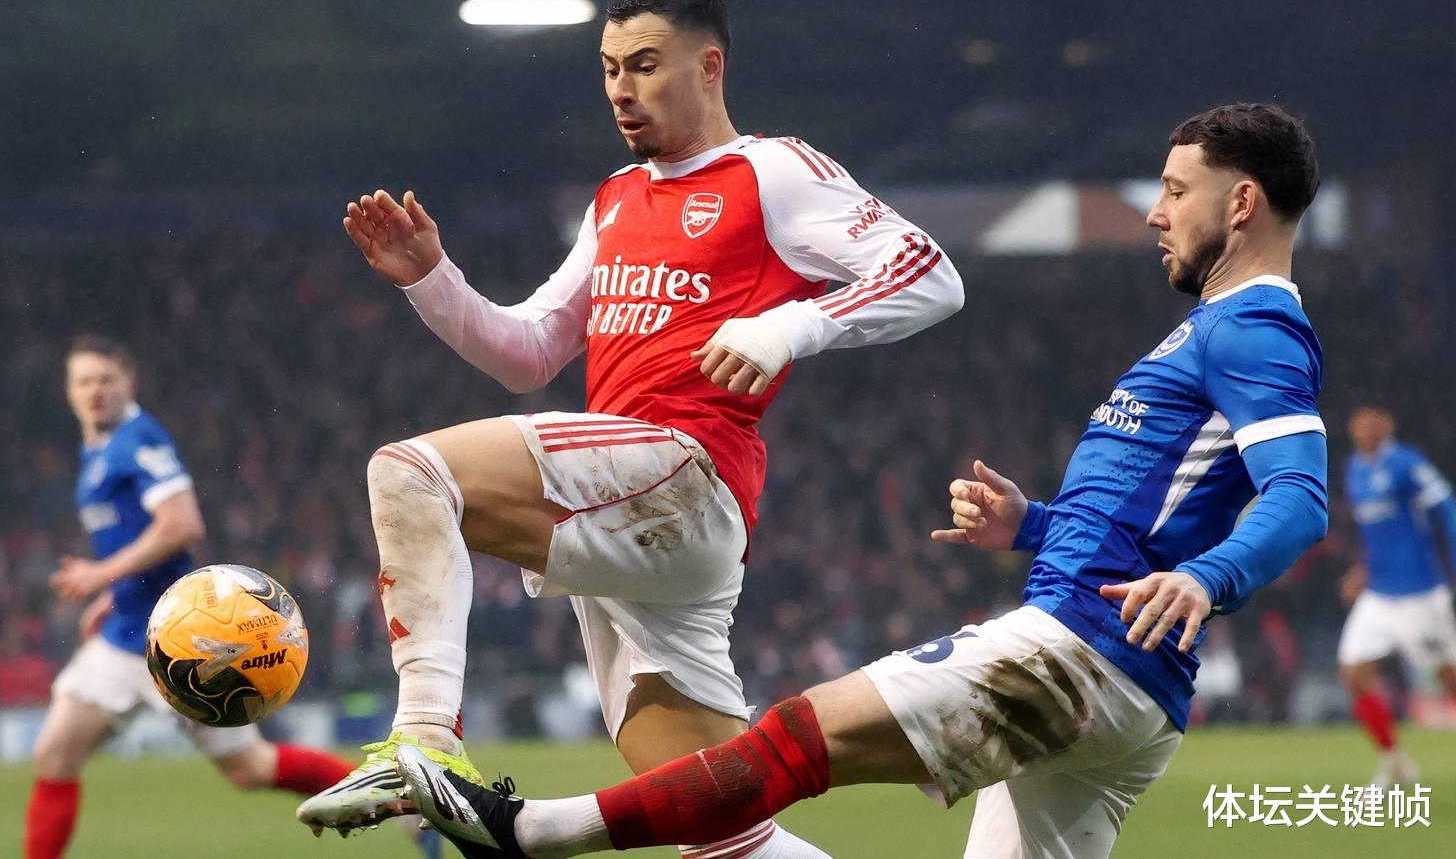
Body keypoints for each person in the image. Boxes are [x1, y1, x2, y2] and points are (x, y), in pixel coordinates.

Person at [396, 102, 1330, 859]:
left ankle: (524, 833)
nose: (1157, 213)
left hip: (1081, 651)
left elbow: (1300, 496)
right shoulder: (1219, 331)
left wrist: (1207, 578)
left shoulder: (1254, 328)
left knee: (797, 738)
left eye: (1176, 191)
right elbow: (1164, 508)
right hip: (1132, 689)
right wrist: (1034, 525)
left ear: (1242, 203)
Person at [294, 0, 965, 857]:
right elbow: (530, 353)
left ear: (709, 66)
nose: (621, 88)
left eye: (645, 64)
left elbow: (929, 273)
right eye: (610, 68)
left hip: (683, 468)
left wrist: (789, 327)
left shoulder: (772, 170)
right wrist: (433, 280)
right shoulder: (616, 197)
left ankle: (424, 739)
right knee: (721, 829)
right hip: (634, 522)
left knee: (411, 471)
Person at [23, 336, 362, 858]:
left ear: (129, 384)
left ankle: (398, 803)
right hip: (124, 635)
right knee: (55, 754)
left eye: (106, 380)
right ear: (69, 391)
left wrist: (100, 574)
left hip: (182, 642)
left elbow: (181, 524)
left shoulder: (139, 441)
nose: (95, 391)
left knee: (251, 769)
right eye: (84, 381)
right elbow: (140, 539)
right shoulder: (98, 448)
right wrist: (113, 593)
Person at [1338, 405, 1456, 784]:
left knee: (1447, 676)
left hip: (1421, 593)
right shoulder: (1353, 469)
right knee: (1353, 672)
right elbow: (1377, 534)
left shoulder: (1407, 463)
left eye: (1374, 426)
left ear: (1387, 428)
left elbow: (1447, 510)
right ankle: (1394, 762)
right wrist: (1362, 570)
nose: (1366, 432)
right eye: (1360, 426)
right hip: (1379, 593)